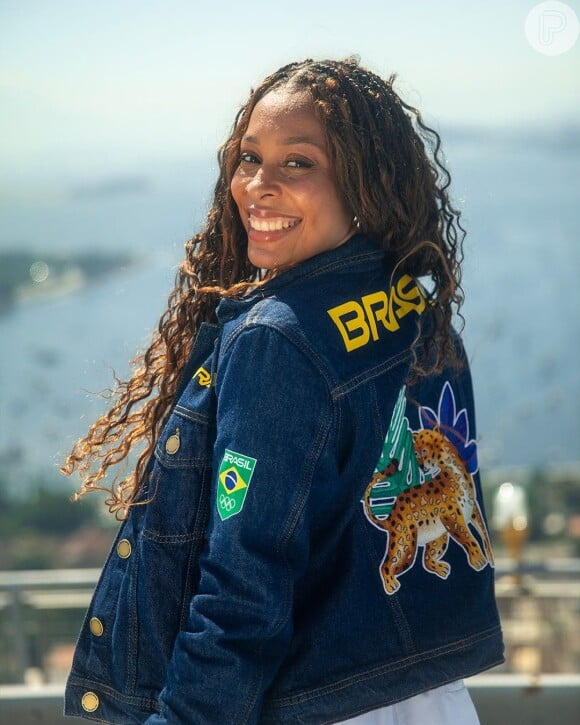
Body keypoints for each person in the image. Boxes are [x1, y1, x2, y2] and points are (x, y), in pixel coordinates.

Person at [61, 57, 504, 724]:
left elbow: (242, 597)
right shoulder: (415, 306)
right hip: (432, 700)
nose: (256, 187)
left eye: (298, 163)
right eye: (248, 158)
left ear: (362, 180)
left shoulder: (278, 340)